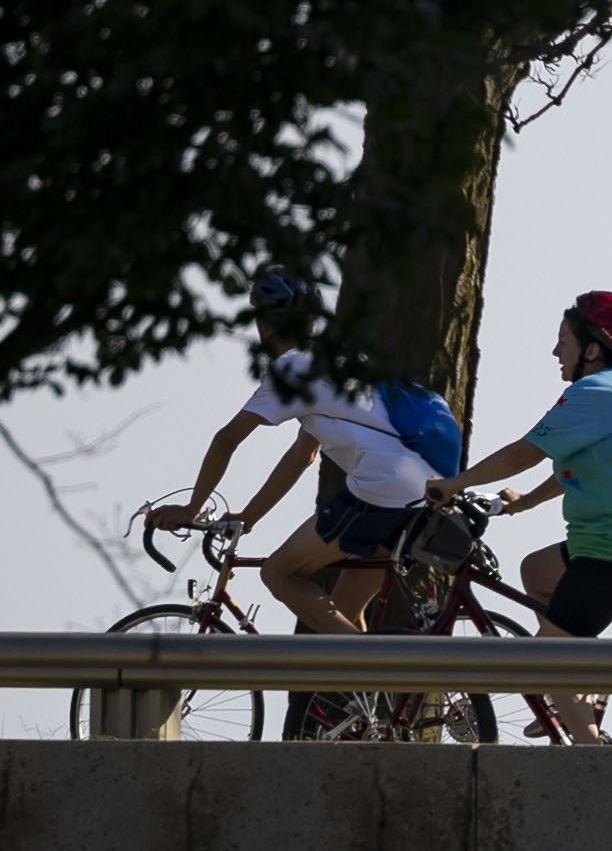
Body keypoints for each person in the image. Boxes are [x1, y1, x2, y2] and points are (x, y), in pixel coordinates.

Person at [425, 292, 612, 742]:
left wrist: (451, 484)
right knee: (536, 570)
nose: (556, 352)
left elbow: (524, 452)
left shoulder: (593, 391)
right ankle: (577, 691)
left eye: (563, 342)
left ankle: (592, 756)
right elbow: (591, 460)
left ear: (592, 349)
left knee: (545, 656)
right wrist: (529, 501)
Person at [145, 267, 433, 637]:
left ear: (264, 322)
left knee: (279, 573)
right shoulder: (337, 362)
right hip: (424, 487)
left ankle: (369, 666)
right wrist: (248, 517)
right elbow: (302, 456)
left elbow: (226, 440)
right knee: (343, 612)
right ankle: (379, 690)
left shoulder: (291, 369)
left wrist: (191, 508)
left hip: (382, 489)